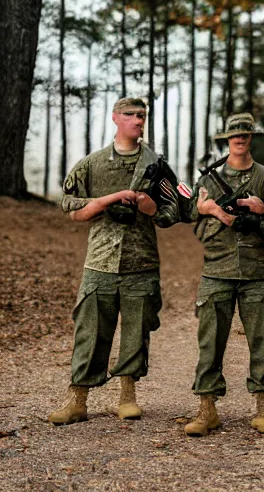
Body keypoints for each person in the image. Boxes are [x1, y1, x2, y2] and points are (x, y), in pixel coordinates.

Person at [48, 97, 181, 425]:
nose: (138, 120)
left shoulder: (157, 166)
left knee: (136, 332)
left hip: (141, 262)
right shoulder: (92, 165)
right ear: (115, 118)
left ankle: (127, 396)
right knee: (90, 331)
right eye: (131, 115)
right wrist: (106, 200)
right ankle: (78, 399)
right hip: (100, 262)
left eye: (142, 115)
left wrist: (152, 209)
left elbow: (179, 207)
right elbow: (72, 209)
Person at [184, 113, 264, 436]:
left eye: (245, 134)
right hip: (216, 270)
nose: (240, 139)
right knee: (210, 342)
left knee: (262, 341)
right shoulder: (208, 180)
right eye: (234, 135)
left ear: (251, 138)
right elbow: (189, 214)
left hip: (256, 273)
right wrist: (210, 211)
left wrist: (260, 215)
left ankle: (262, 407)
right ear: (226, 139)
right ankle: (207, 409)